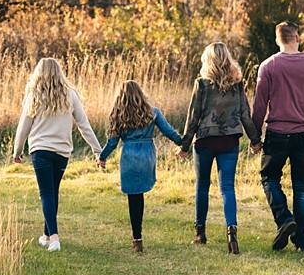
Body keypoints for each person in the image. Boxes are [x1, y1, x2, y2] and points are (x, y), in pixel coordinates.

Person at [251, 21, 304, 253]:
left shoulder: (268, 66)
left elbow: (259, 106)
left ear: (277, 40)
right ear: (297, 38)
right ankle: (300, 242)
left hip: (277, 133)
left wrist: (255, 137)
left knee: (269, 178)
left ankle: (284, 219)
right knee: (302, 186)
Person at [12, 57, 103, 252]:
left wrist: (17, 151)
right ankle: (46, 235)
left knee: (47, 193)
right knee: (53, 191)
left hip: (40, 150)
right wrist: (98, 151)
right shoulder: (70, 95)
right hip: (62, 152)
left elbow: (23, 127)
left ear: (39, 74)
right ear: (59, 73)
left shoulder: (34, 95)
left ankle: (54, 238)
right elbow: (83, 125)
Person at [176, 42, 259, 254]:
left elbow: (193, 116)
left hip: (205, 140)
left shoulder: (202, 84)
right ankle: (231, 234)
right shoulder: (237, 84)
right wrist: (255, 139)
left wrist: (184, 145)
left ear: (208, 60)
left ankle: (200, 232)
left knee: (202, 186)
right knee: (227, 188)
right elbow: (245, 114)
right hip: (229, 141)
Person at [97, 80, 184, 253]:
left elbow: (112, 142)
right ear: (140, 94)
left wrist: (102, 157)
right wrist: (184, 144)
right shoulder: (153, 113)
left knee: (133, 198)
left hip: (129, 157)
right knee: (140, 195)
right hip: (146, 157)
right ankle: (138, 236)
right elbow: (169, 132)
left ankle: (137, 239)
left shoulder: (117, 115)